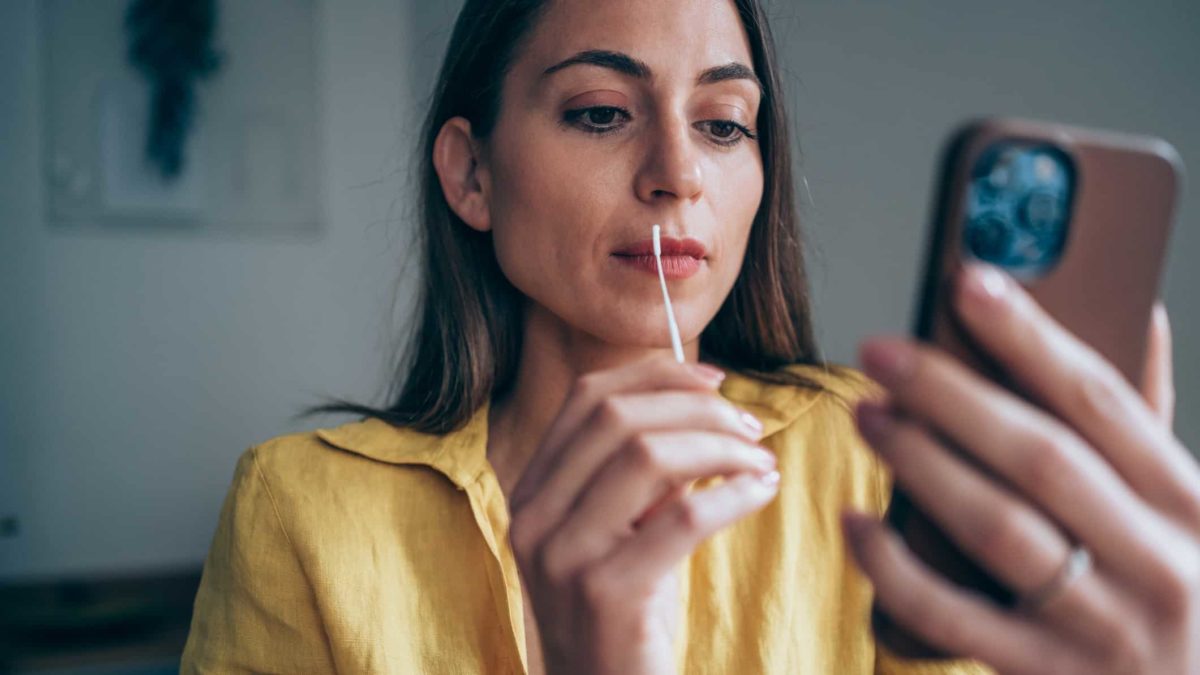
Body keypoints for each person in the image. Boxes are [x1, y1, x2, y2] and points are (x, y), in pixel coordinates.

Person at [181, 0, 1198, 673]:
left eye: (723, 124)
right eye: (597, 112)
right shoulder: (302, 509)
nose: (680, 172)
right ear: (470, 174)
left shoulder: (881, 461)